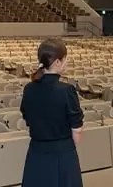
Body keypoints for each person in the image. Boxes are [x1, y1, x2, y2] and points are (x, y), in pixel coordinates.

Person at [20, 38, 84, 187]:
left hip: (36, 152)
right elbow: (77, 130)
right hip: (63, 154)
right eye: (65, 59)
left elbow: (27, 117)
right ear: (57, 62)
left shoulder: (29, 89)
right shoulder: (67, 91)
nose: (66, 63)